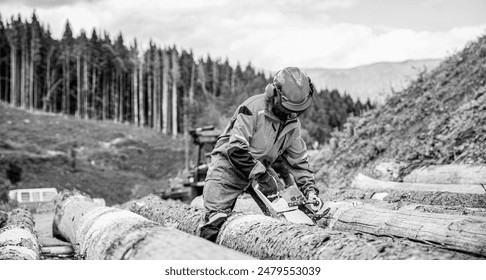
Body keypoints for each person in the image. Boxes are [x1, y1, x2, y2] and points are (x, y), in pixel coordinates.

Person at [198, 67, 323, 242]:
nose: (292, 114)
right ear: (274, 93)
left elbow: (299, 162)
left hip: (261, 169)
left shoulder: (292, 124)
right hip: (228, 167)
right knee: (215, 222)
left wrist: (309, 190)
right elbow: (236, 150)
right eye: (288, 108)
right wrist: (263, 176)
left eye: (298, 110)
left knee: (287, 215)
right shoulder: (252, 108)